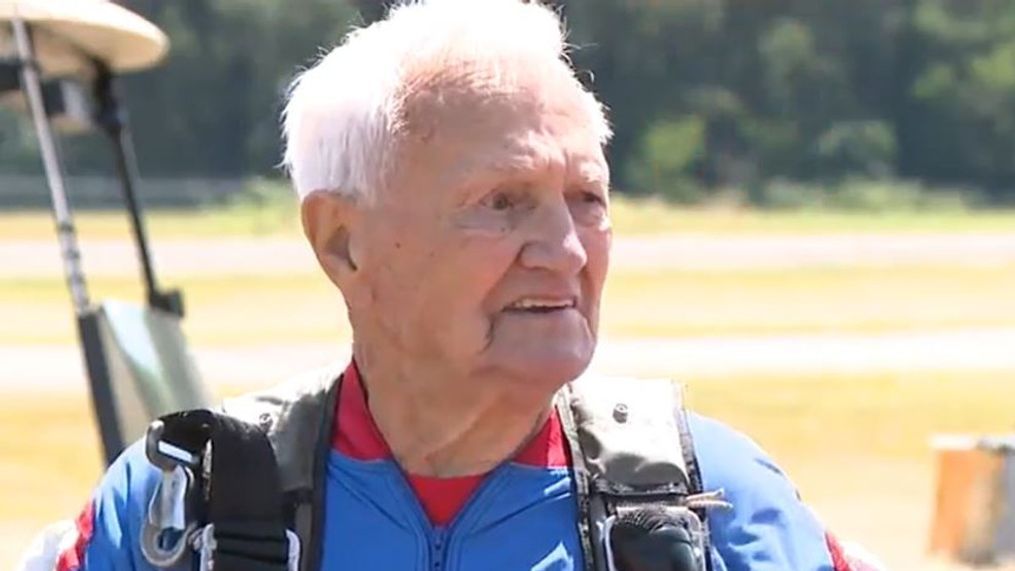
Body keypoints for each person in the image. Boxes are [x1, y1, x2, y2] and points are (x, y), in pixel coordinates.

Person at [21, 1, 885, 570]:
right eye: (502, 202)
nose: (564, 249)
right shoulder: (185, 510)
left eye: (586, 199)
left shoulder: (717, 509)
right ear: (342, 241)